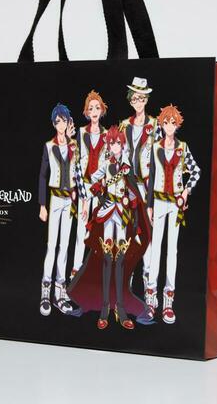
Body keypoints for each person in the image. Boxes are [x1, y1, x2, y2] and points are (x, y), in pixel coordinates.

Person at [68, 126, 153, 329]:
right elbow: (91, 182)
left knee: (120, 260)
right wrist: (95, 189)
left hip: (122, 214)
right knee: (107, 259)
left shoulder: (127, 166)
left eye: (117, 143)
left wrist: (132, 198)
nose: (114, 146)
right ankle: (105, 307)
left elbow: (134, 189)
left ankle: (120, 308)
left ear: (122, 145)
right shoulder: (106, 165)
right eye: (112, 143)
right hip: (107, 212)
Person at [146, 105, 201, 324]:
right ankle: (151, 298)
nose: (169, 126)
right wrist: (149, 204)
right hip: (159, 201)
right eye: (166, 123)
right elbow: (151, 176)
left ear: (177, 125)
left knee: (172, 250)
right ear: (161, 124)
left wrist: (186, 191)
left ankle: (168, 300)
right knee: (155, 249)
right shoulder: (155, 147)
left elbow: (196, 171)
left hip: (175, 203)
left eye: (173, 123)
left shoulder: (183, 148)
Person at [38, 103, 84, 316]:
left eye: (63, 120)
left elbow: (79, 173)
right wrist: (42, 205)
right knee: (51, 245)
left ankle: (60, 292)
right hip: (55, 199)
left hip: (70, 201)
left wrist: (83, 201)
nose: (60, 124)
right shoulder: (49, 146)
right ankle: (45, 292)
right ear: (54, 123)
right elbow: (42, 175)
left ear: (68, 122)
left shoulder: (74, 145)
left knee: (64, 246)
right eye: (57, 121)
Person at [118, 77, 162, 287]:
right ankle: (126, 278)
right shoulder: (124, 125)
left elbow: (161, 158)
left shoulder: (156, 125)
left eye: (142, 98)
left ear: (146, 100)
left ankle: (148, 280)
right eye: (135, 98)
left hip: (147, 186)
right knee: (127, 231)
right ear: (130, 100)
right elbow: (117, 154)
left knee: (147, 232)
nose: (138, 102)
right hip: (127, 185)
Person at [71, 90, 109, 279]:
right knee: (81, 228)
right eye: (91, 108)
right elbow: (76, 165)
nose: (94, 111)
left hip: (100, 189)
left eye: (97, 108)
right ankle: (76, 269)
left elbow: (108, 165)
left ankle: (96, 272)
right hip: (84, 186)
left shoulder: (107, 135)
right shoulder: (81, 132)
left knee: (98, 231)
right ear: (86, 112)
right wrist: (82, 194)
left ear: (102, 110)